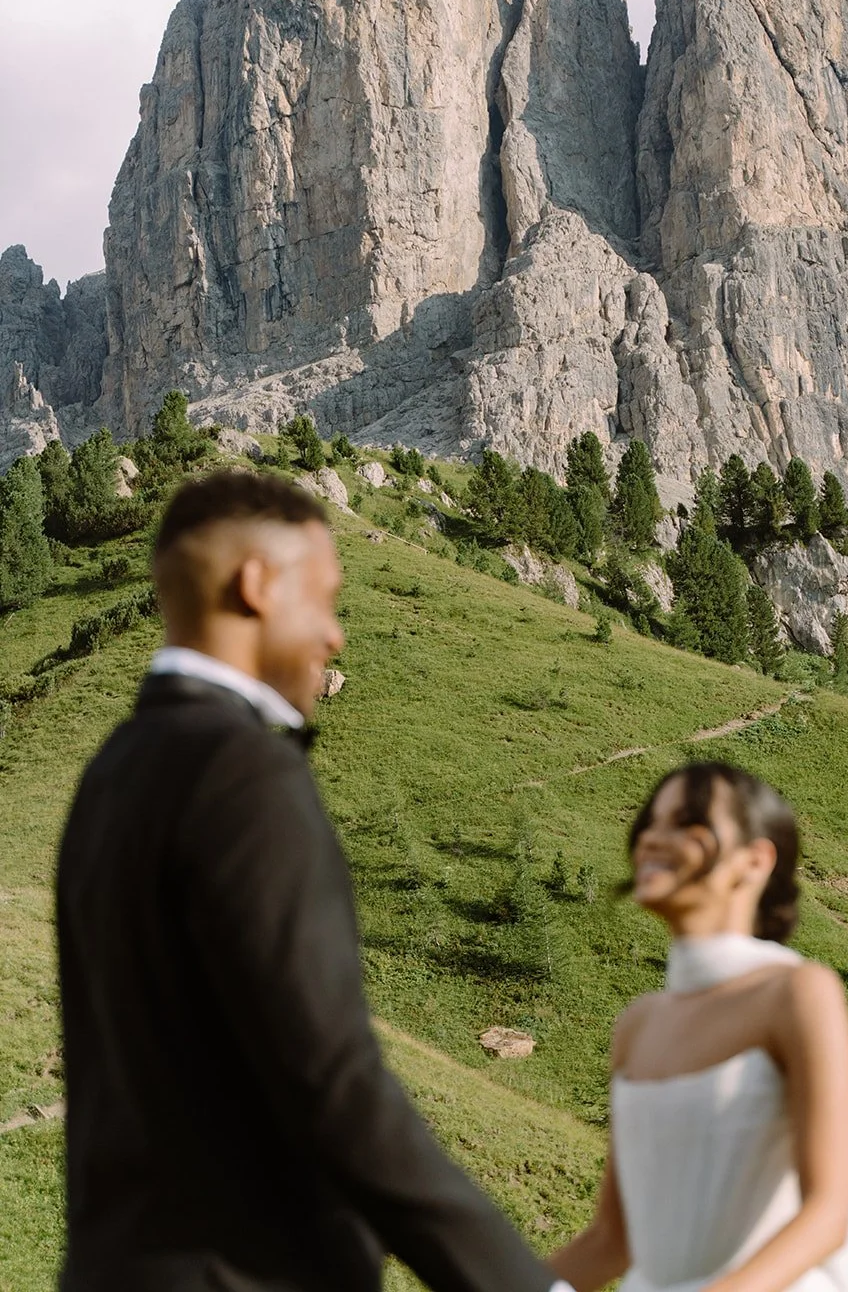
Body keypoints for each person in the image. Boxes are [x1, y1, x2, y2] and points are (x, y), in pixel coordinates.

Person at [56, 469, 561, 1292]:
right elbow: (330, 1076)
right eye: (324, 600)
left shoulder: (111, 773)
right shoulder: (247, 772)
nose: (335, 637)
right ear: (255, 585)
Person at [548, 761, 848, 1292]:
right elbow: (612, 1242)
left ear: (754, 860)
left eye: (688, 823)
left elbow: (828, 1215)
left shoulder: (796, 992)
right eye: (651, 823)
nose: (654, 840)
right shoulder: (637, 1025)